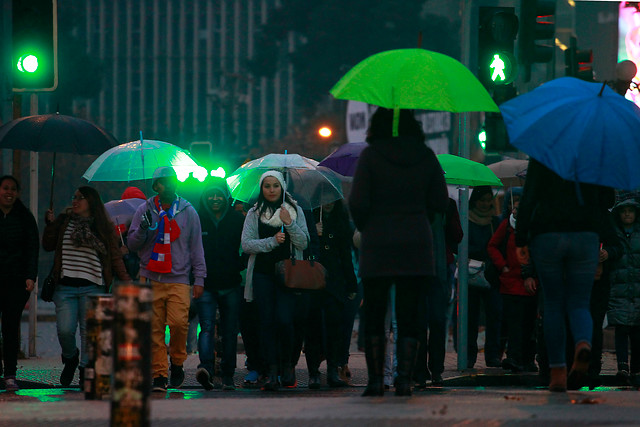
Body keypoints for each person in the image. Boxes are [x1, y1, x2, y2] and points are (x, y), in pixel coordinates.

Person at [349, 108, 449, 396]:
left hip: (378, 241)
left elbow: (357, 201)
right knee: (410, 315)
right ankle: (405, 379)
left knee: (375, 312)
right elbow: (440, 201)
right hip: (416, 241)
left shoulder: (370, 156)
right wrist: (419, 219)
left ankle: (376, 380)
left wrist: (368, 226)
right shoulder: (426, 156)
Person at [515, 158, 615, 392]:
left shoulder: (544, 153)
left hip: (548, 234)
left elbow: (529, 196)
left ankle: (558, 372)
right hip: (585, 235)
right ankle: (583, 343)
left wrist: (521, 238)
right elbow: (607, 200)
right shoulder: (592, 153)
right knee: (580, 303)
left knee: (552, 304)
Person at [127, 166, 206, 392]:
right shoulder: (145, 210)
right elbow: (133, 244)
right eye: (163, 182)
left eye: (172, 181)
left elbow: (196, 247)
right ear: (155, 187)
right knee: (154, 329)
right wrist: (143, 228)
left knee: (180, 324)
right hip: (150, 277)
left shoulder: (188, 211)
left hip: (179, 277)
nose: (169, 185)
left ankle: (178, 361)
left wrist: (199, 278)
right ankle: (159, 374)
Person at [43, 186, 131, 387]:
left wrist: (125, 280)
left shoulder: (102, 226)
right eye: (74, 197)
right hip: (65, 288)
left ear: (91, 201)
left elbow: (114, 256)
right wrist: (49, 224)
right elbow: (48, 245)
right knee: (65, 331)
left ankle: (85, 370)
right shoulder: (64, 222)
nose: (75, 201)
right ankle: (71, 358)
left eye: (80, 198)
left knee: (89, 334)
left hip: (94, 287)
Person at [241, 170, 309, 391]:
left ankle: (287, 366)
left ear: (282, 187)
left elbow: (304, 243)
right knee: (266, 323)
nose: (271, 190)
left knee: (285, 320)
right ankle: (270, 371)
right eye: (267, 186)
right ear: (261, 189)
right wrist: (271, 241)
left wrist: (289, 224)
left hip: (287, 275)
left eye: (275, 186)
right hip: (262, 275)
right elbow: (247, 244)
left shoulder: (294, 210)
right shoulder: (254, 213)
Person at [194, 178, 246, 391]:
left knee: (230, 331)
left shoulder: (237, 219)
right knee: (206, 327)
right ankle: (205, 368)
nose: (215, 198)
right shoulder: (198, 218)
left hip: (231, 283)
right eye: (211, 194)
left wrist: (238, 266)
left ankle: (228, 375)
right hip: (205, 283)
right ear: (205, 196)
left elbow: (247, 246)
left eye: (219, 194)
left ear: (226, 197)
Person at [305, 200, 357, 388]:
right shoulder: (309, 218)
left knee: (335, 327)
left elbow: (346, 256)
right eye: (323, 198)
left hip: (335, 283)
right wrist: (314, 235)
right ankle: (313, 372)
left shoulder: (341, 223)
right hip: (312, 281)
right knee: (313, 328)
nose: (327, 203)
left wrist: (351, 285)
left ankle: (333, 370)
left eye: (331, 199)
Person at [487, 200, 538, 373]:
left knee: (529, 322)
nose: (516, 211)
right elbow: (493, 246)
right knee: (514, 322)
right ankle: (514, 357)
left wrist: (531, 275)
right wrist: (502, 266)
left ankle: (528, 358)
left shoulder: (533, 226)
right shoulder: (506, 226)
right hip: (510, 283)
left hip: (530, 284)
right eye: (514, 208)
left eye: (519, 208)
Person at [0, 176, 39, 391]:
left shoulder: (25, 218)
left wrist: (30, 276)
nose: (9, 192)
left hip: (15, 281)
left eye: (13, 189)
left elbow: (32, 248)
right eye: (5, 188)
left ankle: (10, 374)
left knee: (10, 327)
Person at [465, 186, 503, 369]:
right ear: (475, 200)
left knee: (494, 316)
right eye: (482, 199)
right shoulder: (466, 220)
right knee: (470, 317)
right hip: (471, 275)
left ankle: (493, 356)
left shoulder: (495, 221)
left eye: (489, 199)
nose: (486, 203)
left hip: (491, 275)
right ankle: (468, 356)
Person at [608, 198, 640, 387]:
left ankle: (635, 368)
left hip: (636, 288)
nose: (627, 214)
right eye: (623, 211)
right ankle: (622, 366)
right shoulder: (614, 234)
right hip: (619, 287)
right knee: (621, 329)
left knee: (636, 330)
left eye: (631, 210)